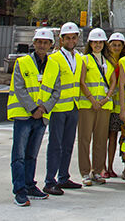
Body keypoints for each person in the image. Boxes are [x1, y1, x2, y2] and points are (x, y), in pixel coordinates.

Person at [8, 27, 54, 206]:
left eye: (46, 42)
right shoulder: (23, 62)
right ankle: (19, 190)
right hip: (23, 115)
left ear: (51, 45)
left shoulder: (53, 65)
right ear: (34, 43)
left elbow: (56, 91)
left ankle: (29, 185)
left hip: (41, 117)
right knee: (19, 155)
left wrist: (43, 108)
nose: (42, 45)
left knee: (32, 155)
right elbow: (19, 88)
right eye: (39, 42)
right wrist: (33, 108)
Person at [39, 21, 84, 196]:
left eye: (74, 38)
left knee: (68, 144)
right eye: (68, 38)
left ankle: (63, 177)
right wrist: (44, 107)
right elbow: (48, 84)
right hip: (58, 108)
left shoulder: (78, 58)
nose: (71, 41)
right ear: (61, 39)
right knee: (55, 145)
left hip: (73, 106)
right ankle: (50, 180)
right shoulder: (54, 59)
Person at [77, 27, 116, 186]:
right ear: (90, 43)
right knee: (85, 139)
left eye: (100, 42)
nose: (98, 45)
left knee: (100, 139)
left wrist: (107, 98)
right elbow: (82, 81)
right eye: (95, 42)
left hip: (104, 106)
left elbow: (113, 81)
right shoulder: (85, 60)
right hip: (88, 105)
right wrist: (92, 99)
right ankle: (85, 172)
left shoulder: (109, 62)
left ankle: (98, 171)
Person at [105, 32, 125, 178]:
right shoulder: (105, 61)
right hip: (111, 105)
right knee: (111, 137)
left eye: (119, 45)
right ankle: (109, 166)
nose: (117, 47)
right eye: (114, 45)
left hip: (124, 104)